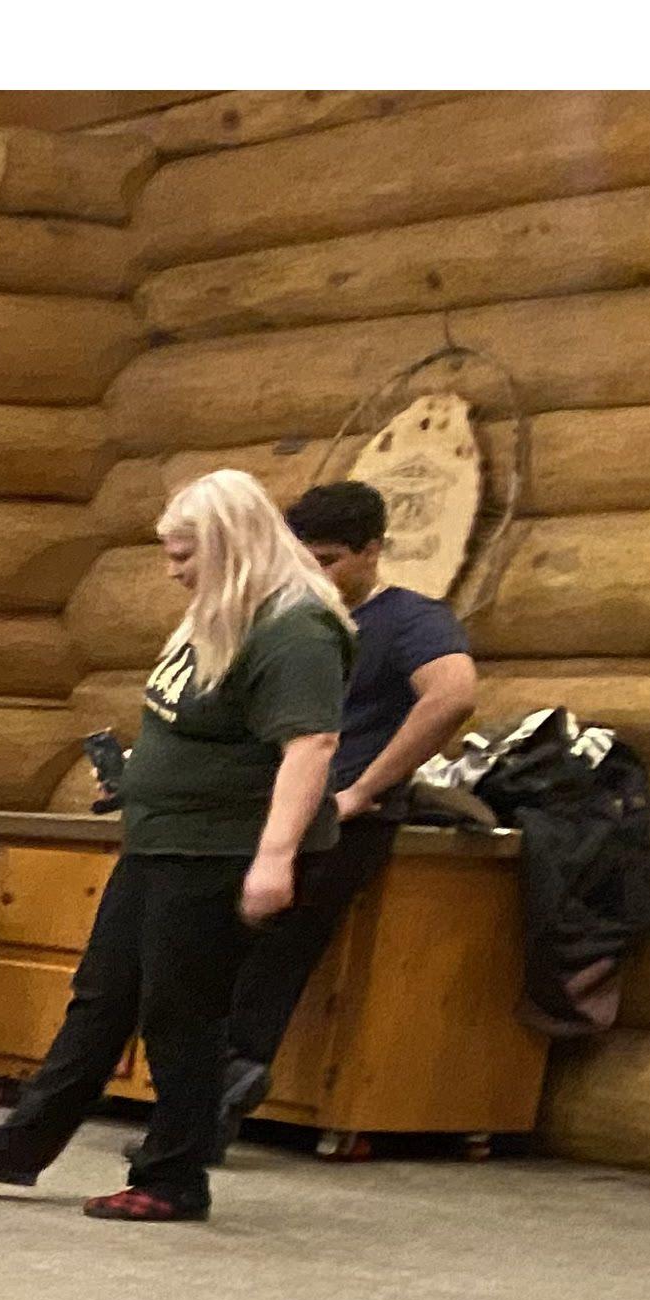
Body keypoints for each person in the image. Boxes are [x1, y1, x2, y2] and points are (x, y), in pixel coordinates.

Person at [0, 469, 348, 1223]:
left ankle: (175, 1175)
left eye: (186, 555)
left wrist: (275, 858)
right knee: (102, 996)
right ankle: (23, 1143)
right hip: (162, 839)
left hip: (221, 850)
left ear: (228, 547)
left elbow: (310, 745)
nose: (174, 570)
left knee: (181, 1013)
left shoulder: (295, 628)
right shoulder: (221, 617)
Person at [221, 478, 480, 1135]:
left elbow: (451, 695)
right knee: (215, 946)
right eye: (302, 557)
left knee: (273, 952)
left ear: (373, 551)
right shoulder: (288, 615)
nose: (316, 573)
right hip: (260, 808)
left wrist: (364, 789)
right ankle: (205, 1093)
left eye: (331, 559)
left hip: (342, 818)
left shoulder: (410, 620)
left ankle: (219, 1098)